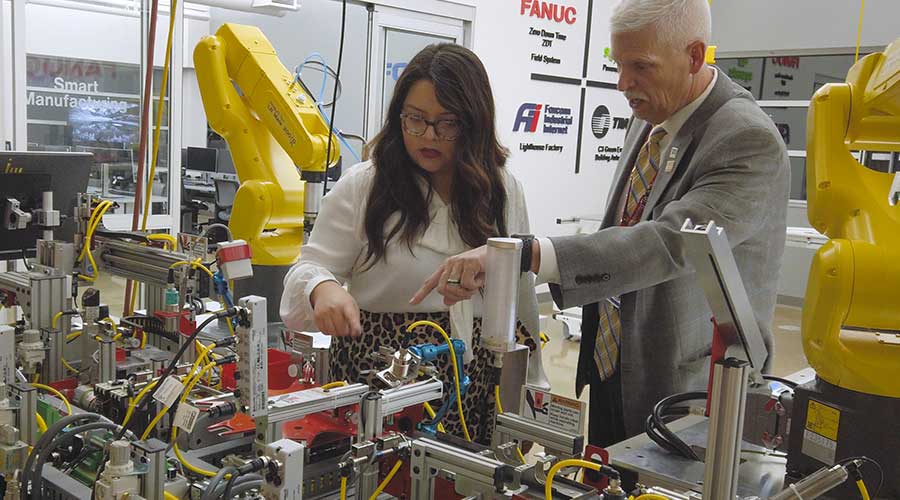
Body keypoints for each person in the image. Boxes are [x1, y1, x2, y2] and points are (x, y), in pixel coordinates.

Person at [412, 0, 789, 450]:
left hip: (687, 388)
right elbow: (625, 225)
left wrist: (529, 254)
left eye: (640, 67)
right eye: (618, 63)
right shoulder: (653, 114)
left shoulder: (746, 139)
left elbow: (669, 243)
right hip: (613, 368)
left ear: (693, 56)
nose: (622, 83)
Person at [280, 43, 548, 444]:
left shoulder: (502, 189)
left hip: (471, 380)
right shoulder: (366, 185)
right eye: (415, 120)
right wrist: (324, 288)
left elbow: (521, 297)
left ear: (473, 123)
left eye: (447, 124)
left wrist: (529, 391)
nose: (428, 136)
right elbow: (308, 267)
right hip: (375, 376)